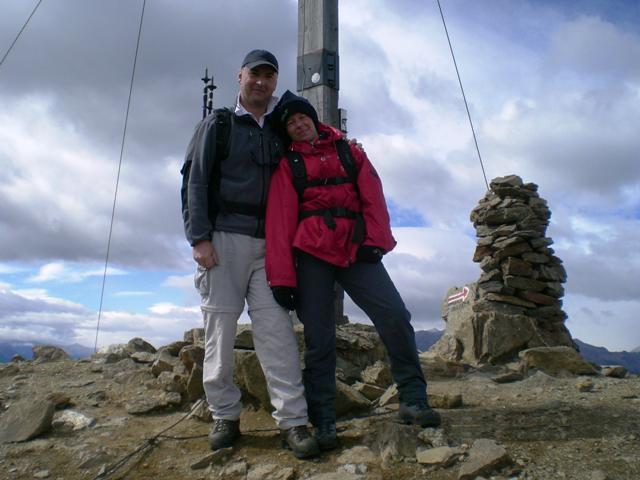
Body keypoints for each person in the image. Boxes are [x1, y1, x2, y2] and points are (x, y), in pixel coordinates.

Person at [265, 91, 441, 451]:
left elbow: (372, 194)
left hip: (357, 248)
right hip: (312, 254)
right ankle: (324, 419)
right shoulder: (288, 165)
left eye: (303, 118)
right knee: (319, 337)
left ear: (313, 118)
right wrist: (282, 278)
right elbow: (280, 223)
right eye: (291, 123)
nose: (299, 125)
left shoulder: (350, 150)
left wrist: (377, 240)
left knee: (394, 314)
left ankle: (413, 399)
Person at [181, 51, 319, 459]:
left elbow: (313, 143)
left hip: (271, 246)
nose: (261, 81)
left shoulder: (280, 129)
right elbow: (195, 180)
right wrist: (199, 238)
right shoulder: (218, 124)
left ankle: (293, 421)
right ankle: (225, 414)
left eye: (269, 76)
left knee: (276, 332)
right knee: (220, 332)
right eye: (254, 74)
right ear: (240, 76)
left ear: (275, 82)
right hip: (223, 240)